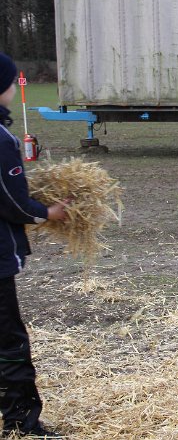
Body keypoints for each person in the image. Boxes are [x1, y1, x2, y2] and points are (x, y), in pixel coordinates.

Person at [0, 53, 68, 437]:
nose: (13, 86)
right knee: (9, 340)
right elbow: (11, 201)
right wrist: (47, 212)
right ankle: (21, 422)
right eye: (10, 81)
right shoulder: (2, 140)